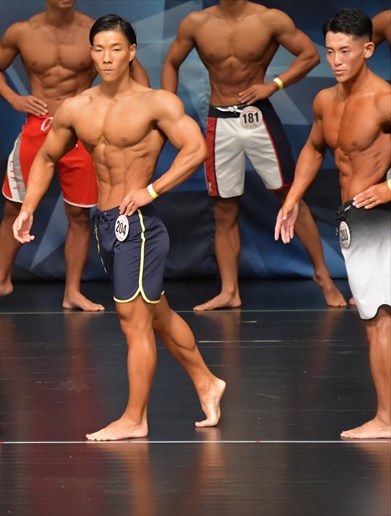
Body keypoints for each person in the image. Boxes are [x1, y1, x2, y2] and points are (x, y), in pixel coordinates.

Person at [13, 14, 225, 440]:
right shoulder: (77, 107)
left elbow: (195, 148)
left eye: (115, 49)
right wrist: (28, 207)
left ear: (131, 53)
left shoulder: (156, 103)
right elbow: (48, 157)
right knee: (156, 313)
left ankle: (134, 418)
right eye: (99, 49)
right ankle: (207, 382)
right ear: (90, 54)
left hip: (140, 225)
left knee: (133, 320)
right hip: (106, 223)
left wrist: (152, 190)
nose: (106, 58)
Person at [161, 0, 346, 311]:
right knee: (224, 209)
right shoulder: (196, 23)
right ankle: (229, 291)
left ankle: (323, 276)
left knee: (290, 198)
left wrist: (273, 85)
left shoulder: (270, 19)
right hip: (219, 121)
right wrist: (171, 112)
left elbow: (310, 55)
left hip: (258, 117)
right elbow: (171, 63)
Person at [0, 0, 150, 312]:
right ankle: (0, 281)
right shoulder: (23, 32)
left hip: (81, 127)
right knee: (15, 207)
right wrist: (14, 98)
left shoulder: (95, 32)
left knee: (79, 214)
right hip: (38, 127)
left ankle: (72, 291)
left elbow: (137, 77)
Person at [275, 9, 390, 440]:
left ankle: (386, 420)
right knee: (375, 319)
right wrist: (292, 198)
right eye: (329, 51)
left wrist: (390, 188)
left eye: (345, 51)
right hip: (354, 223)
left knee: (379, 321)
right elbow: (313, 148)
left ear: (368, 49)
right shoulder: (326, 101)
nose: (336, 61)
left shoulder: (384, 99)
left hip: (381, 221)